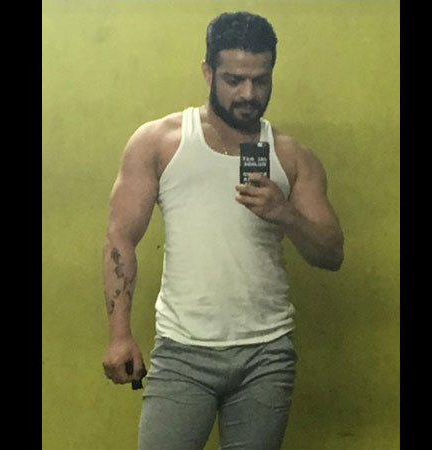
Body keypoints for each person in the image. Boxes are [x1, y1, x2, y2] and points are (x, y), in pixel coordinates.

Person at [101, 11, 344, 450]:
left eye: (261, 80)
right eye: (234, 80)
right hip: (182, 352)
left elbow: (331, 254)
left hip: (266, 355)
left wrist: (286, 214)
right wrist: (119, 335)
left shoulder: (291, 156)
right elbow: (120, 237)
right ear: (208, 72)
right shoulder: (160, 143)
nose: (248, 93)